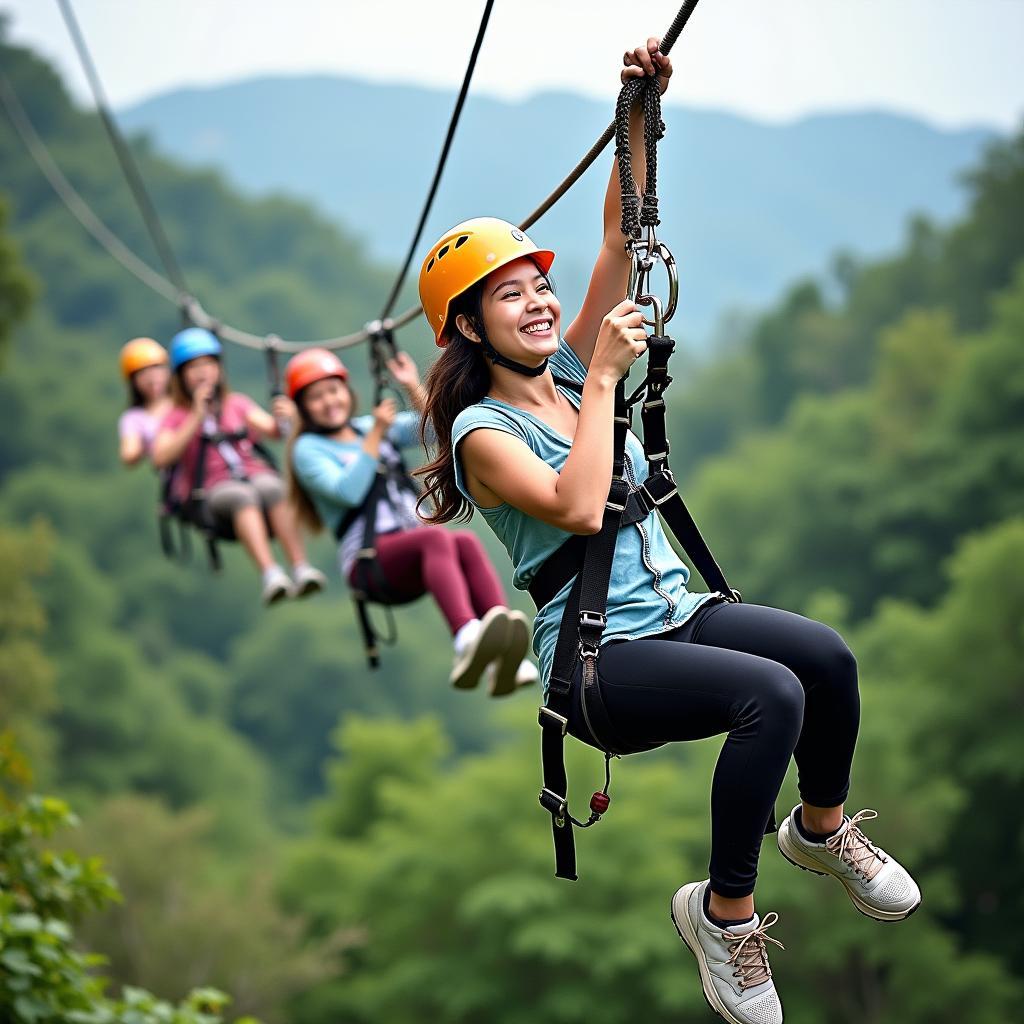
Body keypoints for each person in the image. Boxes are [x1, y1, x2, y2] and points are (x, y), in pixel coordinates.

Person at [415, 37, 920, 1024]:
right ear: (469, 326)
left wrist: (639, 114)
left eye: (537, 287)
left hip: (675, 618)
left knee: (824, 659)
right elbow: (568, 504)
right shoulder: (484, 430)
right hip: (598, 663)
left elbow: (620, 237)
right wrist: (600, 377)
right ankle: (723, 917)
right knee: (769, 695)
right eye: (511, 293)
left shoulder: (562, 374)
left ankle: (817, 830)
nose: (540, 301)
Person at [286, 346, 537, 695]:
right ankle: (466, 636)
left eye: (333, 390)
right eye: (317, 397)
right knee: (435, 538)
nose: (329, 401)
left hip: (412, 555)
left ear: (347, 391)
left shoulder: (367, 429)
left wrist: (411, 387)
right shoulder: (309, 450)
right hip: (370, 562)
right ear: (303, 408)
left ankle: (502, 645)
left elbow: (437, 429)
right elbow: (348, 492)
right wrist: (375, 436)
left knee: (463, 541)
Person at [152, 326, 326, 605]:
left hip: (253, 474)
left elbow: (273, 431)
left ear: (219, 368)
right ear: (181, 376)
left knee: (273, 487)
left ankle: (300, 566)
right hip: (211, 489)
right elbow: (161, 456)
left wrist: (288, 417)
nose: (202, 372)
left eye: (208, 364)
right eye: (193, 367)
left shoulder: (236, 404)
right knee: (241, 496)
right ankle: (270, 573)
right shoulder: (176, 416)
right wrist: (196, 416)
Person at [117, 337, 172, 466]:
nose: (152, 377)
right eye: (143, 373)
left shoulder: (184, 401)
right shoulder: (134, 418)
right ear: (133, 381)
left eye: (156, 368)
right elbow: (129, 453)